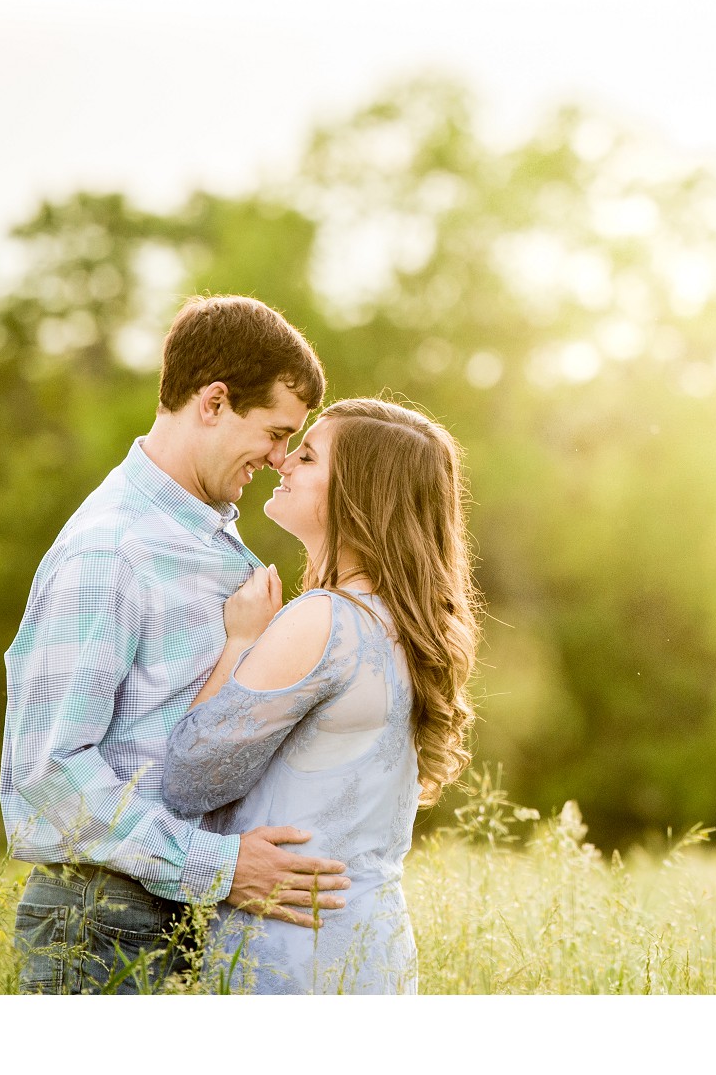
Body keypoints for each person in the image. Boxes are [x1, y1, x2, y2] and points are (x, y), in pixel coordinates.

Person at [0, 294, 351, 994]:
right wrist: (217, 866)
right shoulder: (112, 549)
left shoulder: (215, 542)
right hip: (102, 926)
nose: (281, 458)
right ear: (214, 402)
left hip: (190, 916)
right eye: (277, 432)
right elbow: (49, 774)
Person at [161, 396, 482, 993]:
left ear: (357, 496)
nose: (282, 461)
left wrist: (240, 640)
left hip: (292, 955)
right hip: (373, 950)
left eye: (306, 456)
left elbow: (188, 778)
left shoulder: (322, 621)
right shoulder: (412, 628)